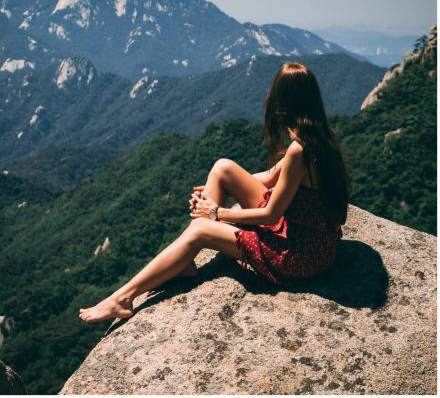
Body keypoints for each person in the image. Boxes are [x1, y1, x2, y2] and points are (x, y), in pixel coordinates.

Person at [79, 61, 349, 323]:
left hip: (299, 254)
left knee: (200, 231)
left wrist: (216, 213)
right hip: (308, 236)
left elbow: (270, 214)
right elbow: (269, 178)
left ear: (282, 102)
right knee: (222, 168)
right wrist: (221, 186)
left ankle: (123, 298)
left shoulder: (299, 151)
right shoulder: (318, 136)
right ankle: (184, 259)